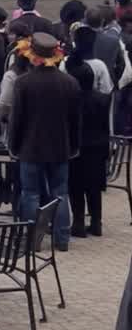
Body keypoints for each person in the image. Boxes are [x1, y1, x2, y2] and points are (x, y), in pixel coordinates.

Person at [7, 31, 82, 250]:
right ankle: (62, 239)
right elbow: (75, 120)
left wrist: (14, 145)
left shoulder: (23, 83)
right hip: (60, 147)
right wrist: (74, 145)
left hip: (30, 147)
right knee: (60, 192)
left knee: (30, 194)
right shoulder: (70, 83)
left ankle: (32, 240)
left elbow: (17, 119)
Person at [65, 25, 112, 238]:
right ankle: (96, 222)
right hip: (98, 146)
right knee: (94, 187)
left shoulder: (72, 101)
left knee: (76, 186)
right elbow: (106, 124)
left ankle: (78, 222)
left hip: (77, 147)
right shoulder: (102, 99)